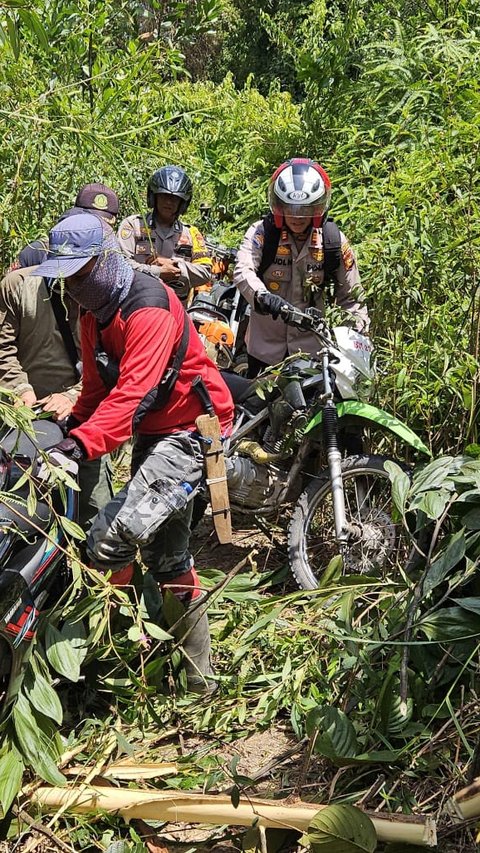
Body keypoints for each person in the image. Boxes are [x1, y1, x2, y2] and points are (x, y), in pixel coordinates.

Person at [33, 213, 234, 693]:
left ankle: (108, 655)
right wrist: (71, 431)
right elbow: (96, 391)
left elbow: (131, 397)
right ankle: (196, 683)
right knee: (168, 557)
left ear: (105, 261)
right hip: (155, 431)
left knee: (109, 536)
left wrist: (78, 446)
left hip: (192, 429)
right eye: (65, 279)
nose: (73, 288)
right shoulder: (94, 315)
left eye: (80, 275)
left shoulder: (148, 307)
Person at [0, 242, 113, 528]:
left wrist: (74, 396)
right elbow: (3, 348)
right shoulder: (17, 286)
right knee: (19, 506)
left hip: (83, 415)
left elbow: (110, 362)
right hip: (26, 419)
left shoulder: (104, 292)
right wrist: (20, 390)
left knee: (96, 516)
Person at [233, 158, 370, 377]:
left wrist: (358, 344)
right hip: (264, 351)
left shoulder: (333, 241)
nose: (297, 216)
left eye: (306, 209)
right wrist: (263, 296)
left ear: (318, 208)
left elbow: (352, 298)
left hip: (312, 353)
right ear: (278, 206)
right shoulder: (262, 233)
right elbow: (243, 269)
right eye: (289, 207)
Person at [117, 165, 212, 302]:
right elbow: (120, 265)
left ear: (183, 203)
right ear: (153, 197)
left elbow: (205, 271)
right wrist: (157, 272)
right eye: (164, 196)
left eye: (175, 198)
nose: (169, 202)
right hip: (136, 302)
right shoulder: (133, 225)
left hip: (175, 308)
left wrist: (176, 267)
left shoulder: (191, 233)